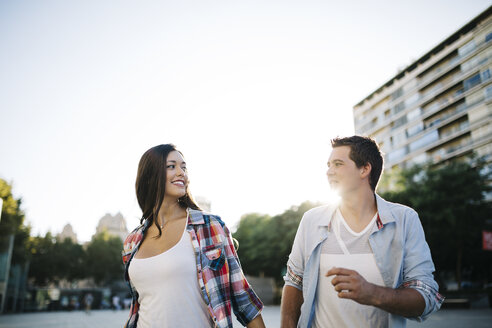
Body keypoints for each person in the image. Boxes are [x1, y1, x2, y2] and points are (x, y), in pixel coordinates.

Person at [281, 136, 444, 328]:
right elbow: (294, 283)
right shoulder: (311, 221)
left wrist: (372, 294)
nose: (329, 172)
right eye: (328, 165)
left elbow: (427, 296)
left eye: (338, 164)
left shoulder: (405, 219)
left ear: (365, 169)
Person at [122, 144, 265, 328]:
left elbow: (244, 300)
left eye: (184, 167)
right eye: (171, 166)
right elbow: (139, 306)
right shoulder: (131, 242)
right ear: (150, 176)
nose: (181, 172)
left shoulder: (210, 227)